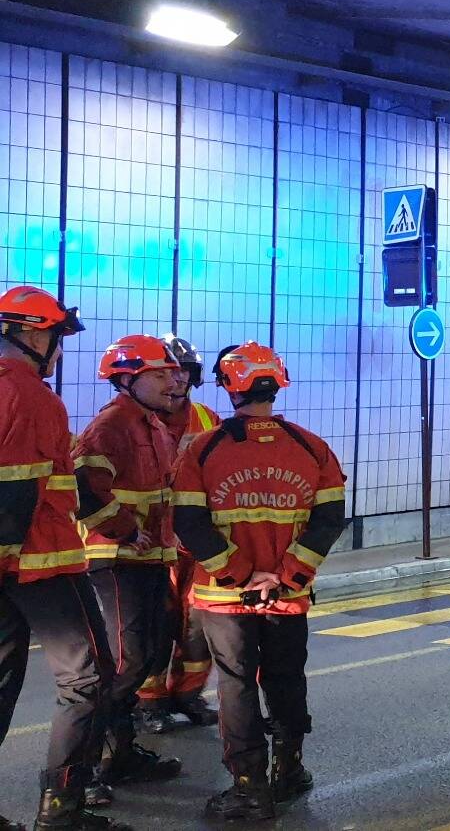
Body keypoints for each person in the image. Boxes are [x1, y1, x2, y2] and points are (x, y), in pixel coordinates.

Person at [171, 343, 347, 821]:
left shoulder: (203, 449)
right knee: (286, 678)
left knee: (237, 685)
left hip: (224, 597)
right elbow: (329, 521)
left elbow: (188, 523)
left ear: (230, 387)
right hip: (288, 597)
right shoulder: (312, 448)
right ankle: (289, 771)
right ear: (278, 384)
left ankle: (249, 789)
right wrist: (286, 575)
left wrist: (242, 575)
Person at [0, 286, 130, 831]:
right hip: (40, 563)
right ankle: (63, 807)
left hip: (11, 568)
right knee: (87, 678)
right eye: (57, 337)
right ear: (32, 336)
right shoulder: (29, 396)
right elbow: (15, 488)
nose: (59, 350)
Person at [73, 337, 187, 787]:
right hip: (117, 559)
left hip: (151, 558)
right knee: (126, 661)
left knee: (147, 656)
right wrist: (125, 530)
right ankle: (84, 769)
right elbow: (84, 486)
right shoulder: (112, 425)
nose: (172, 382)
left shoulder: (152, 425)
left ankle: (117, 755)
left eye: (171, 373)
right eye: (159, 374)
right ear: (126, 378)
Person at [133, 334, 219, 735]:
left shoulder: (207, 419)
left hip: (196, 540)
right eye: (168, 371)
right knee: (157, 624)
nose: (178, 378)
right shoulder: (134, 421)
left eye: (184, 370)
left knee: (197, 623)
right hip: (149, 542)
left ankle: (188, 694)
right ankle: (149, 702)